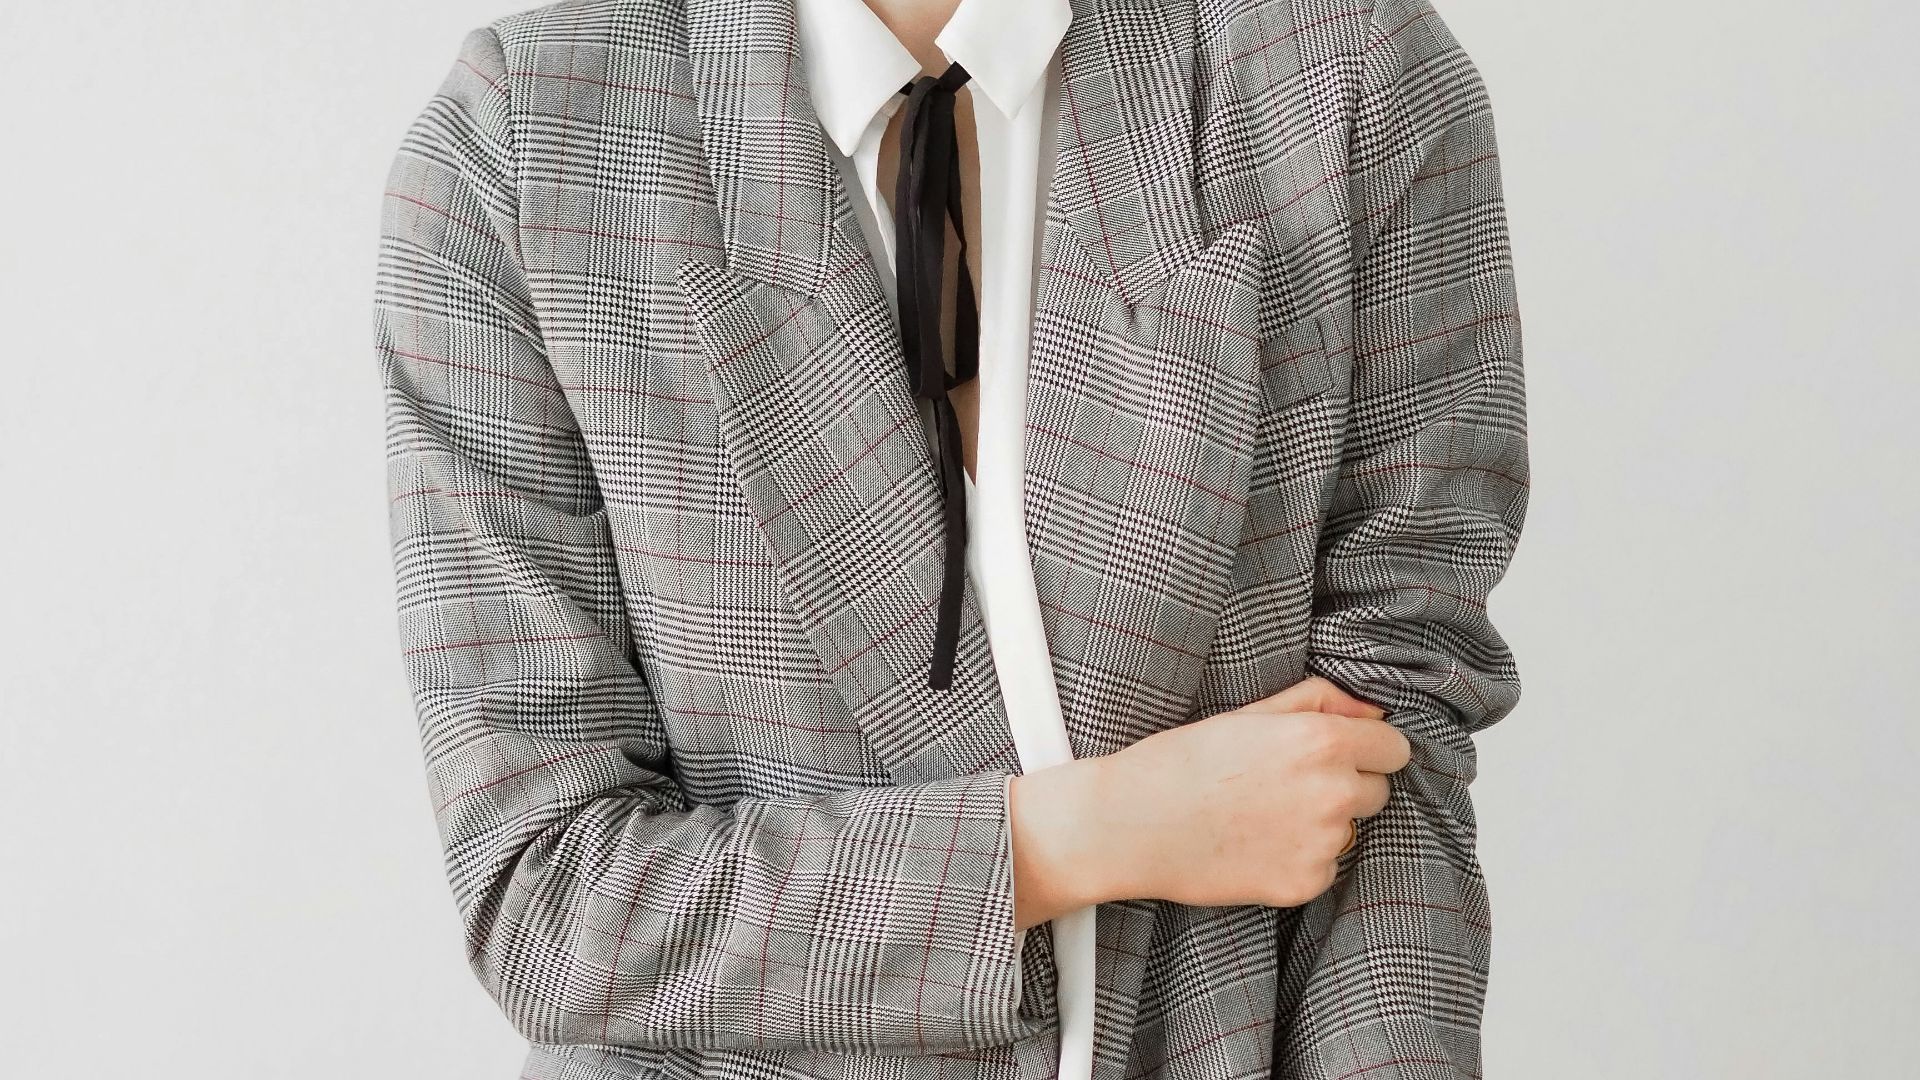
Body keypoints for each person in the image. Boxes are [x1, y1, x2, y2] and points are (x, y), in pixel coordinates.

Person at [371, 0, 1527, 1078]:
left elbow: (1392, 752)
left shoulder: (1347, 77)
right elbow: (552, 904)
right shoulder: (524, 147)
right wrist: (1074, 840)